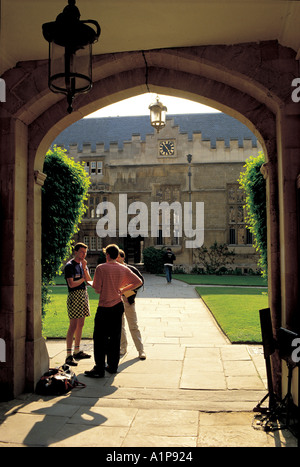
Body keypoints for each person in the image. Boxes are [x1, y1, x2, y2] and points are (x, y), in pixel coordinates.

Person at [84, 244, 143, 378]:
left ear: (107, 255)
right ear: (117, 255)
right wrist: (122, 290)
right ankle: (113, 366)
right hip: (117, 305)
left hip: (104, 306)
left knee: (99, 337)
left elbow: (98, 289)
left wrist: (91, 283)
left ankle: (99, 368)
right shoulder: (123, 268)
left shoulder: (101, 268)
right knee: (115, 337)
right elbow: (138, 281)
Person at [64, 242, 92, 366]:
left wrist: (85, 268)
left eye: (85, 252)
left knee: (81, 324)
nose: (83, 254)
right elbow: (71, 284)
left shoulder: (82, 264)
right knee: (73, 325)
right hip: (74, 296)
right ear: (75, 252)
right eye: (81, 252)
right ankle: (69, 355)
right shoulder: (69, 265)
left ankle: (77, 350)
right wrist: (83, 279)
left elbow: (89, 280)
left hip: (83, 294)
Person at [117, 250, 146, 360]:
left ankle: (140, 350)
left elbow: (141, 282)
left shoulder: (131, 269)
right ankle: (123, 348)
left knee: (133, 325)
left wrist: (129, 291)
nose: (116, 259)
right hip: (116, 300)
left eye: (118, 257)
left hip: (128, 299)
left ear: (122, 258)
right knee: (120, 326)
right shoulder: (114, 269)